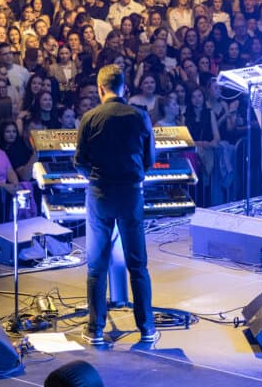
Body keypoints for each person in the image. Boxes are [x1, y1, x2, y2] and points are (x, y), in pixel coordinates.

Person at [72, 64, 156, 345]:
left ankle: (95, 330)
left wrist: (96, 178)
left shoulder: (90, 117)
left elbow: (79, 162)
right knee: (137, 264)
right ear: (125, 88)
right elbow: (149, 160)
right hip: (131, 194)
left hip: (100, 195)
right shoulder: (139, 116)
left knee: (96, 265)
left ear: (99, 89)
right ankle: (147, 328)